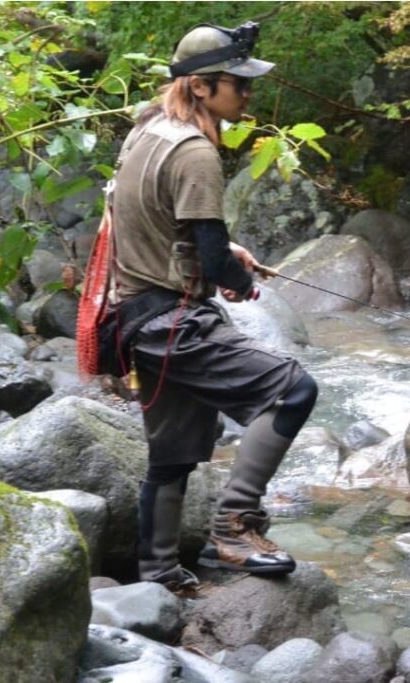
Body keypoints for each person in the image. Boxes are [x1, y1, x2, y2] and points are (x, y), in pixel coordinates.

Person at [107, 21, 317, 589]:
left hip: (135, 317)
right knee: (294, 389)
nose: (247, 96)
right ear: (201, 87)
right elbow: (209, 254)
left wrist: (224, 253)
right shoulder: (197, 151)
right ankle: (233, 526)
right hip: (174, 321)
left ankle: (158, 575)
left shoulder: (147, 129)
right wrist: (240, 280)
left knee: (171, 455)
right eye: (238, 85)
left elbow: (154, 219)